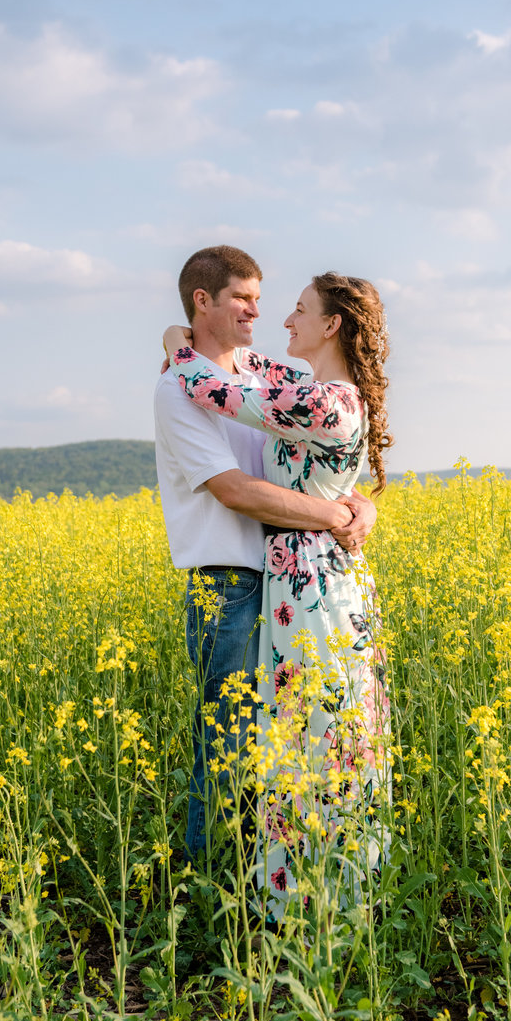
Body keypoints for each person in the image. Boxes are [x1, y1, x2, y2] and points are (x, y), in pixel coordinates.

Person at [163, 272, 392, 921]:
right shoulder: (308, 389)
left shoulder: (328, 403)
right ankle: (302, 886)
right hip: (297, 576)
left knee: (319, 730)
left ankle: (326, 893)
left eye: (297, 311)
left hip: (313, 583)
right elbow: (245, 366)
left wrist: (179, 348)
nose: (282, 321)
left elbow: (216, 385)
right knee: (296, 732)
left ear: (332, 326)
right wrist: (177, 332)